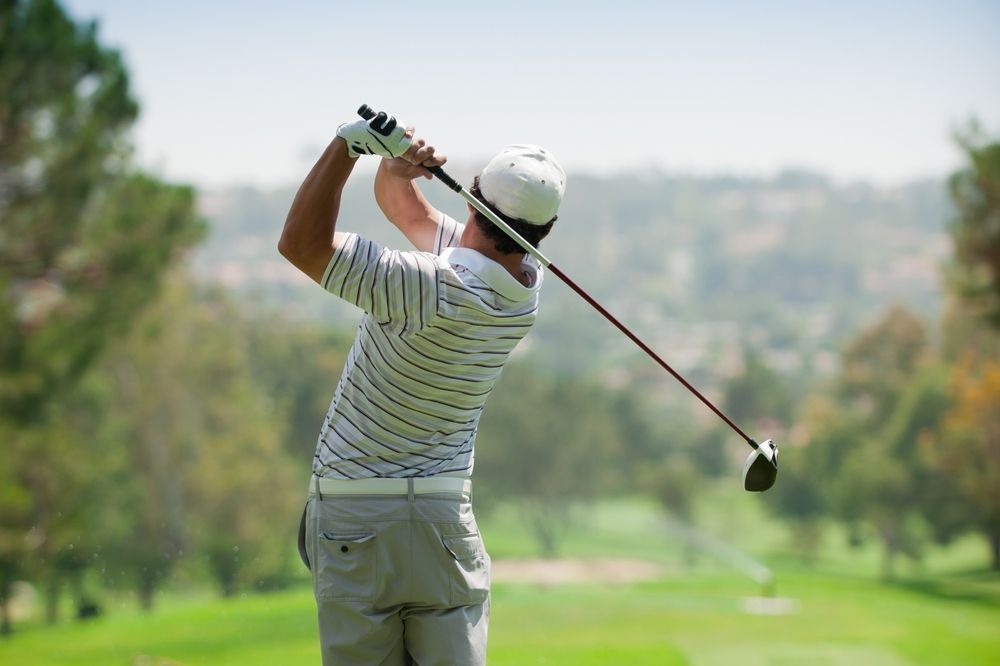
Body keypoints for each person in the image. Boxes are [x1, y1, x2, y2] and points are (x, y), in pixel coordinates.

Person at [278, 108, 565, 665]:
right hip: (443, 525)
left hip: (354, 518)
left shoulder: (421, 284)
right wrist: (396, 168)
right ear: (543, 233)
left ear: (473, 201)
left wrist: (346, 147)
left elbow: (299, 243)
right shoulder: (525, 288)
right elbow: (406, 210)